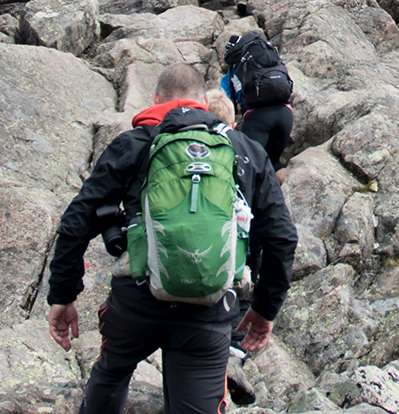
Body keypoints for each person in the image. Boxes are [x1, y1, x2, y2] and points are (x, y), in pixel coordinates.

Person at [46, 61, 298, 414]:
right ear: (203, 101)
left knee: (113, 371)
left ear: (155, 98)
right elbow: (282, 237)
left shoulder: (135, 143)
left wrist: (63, 295)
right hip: (208, 310)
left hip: (136, 303)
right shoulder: (244, 150)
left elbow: (76, 220)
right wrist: (263, 309)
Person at [221, 31, 294, 179]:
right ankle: (291, 192)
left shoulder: (232, 73)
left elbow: (222, 106)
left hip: (258, 118)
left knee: (248, 166)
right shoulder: (272, 61)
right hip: (285, 115)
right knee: (272, 163)